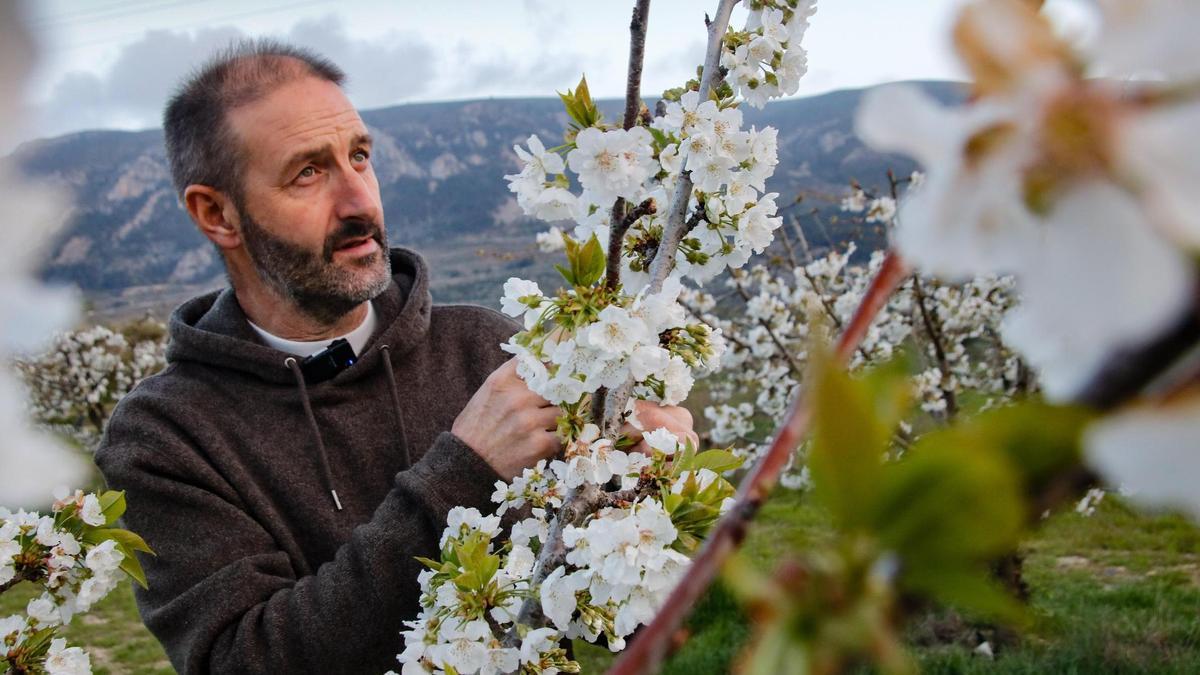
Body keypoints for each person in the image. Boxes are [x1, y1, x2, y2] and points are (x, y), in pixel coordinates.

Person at [95, 40, 696, 674]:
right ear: (217, 213)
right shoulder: (165, 437)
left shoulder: (491, 348)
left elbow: (611, 618)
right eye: (308, 172)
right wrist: (464, 472)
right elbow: (243, 660)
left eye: (359, 157)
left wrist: (646, 494)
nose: (360, 203)